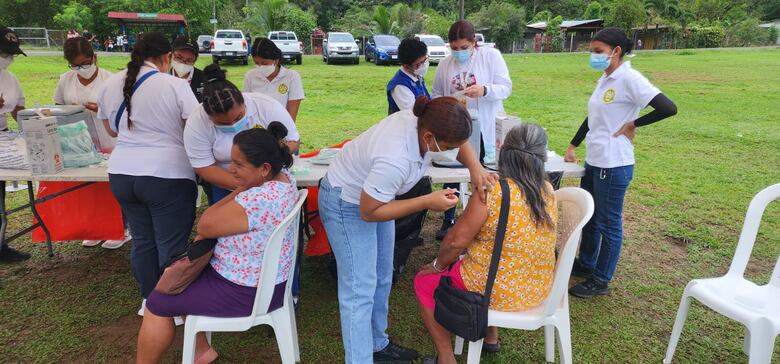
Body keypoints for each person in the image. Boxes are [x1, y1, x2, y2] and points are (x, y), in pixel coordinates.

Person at [318, 96, 495, 363]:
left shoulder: (430, 118)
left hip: (378, 198)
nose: (454, 151)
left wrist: (476, 167)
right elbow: (369, 211)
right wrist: (426, 201)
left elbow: (457, 143)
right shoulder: (395, 157)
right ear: (428, 137)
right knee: (359, 290)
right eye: (448, 146)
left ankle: (377, 345)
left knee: (381, 276)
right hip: (348, 204)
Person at [137, 124, 298, 364]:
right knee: (182, 278)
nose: (232, 170)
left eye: (239, 165)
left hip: (245, 291)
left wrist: (241, 188)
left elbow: (206, 224)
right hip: (266, 282)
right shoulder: (284, 180)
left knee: (157, 302)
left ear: (264, 168)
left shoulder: (257, 199)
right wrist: (246, 184)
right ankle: (201, 350)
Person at [414, 123, 558, 364]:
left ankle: (446, 358)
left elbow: (455, 241)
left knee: (424, 281)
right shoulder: (547, 190)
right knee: (499, 255)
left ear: (505, 153)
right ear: (541, 157)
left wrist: (438, 265)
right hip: (538, 289)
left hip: (493, 292)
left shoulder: (494, 192)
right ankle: (491, 337)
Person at [564, 27, 677, 298]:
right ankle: (586, 263)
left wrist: (633, 123)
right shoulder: (606, 79)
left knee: (608, 222)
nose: (593, 56)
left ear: (616, 52)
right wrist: (573, 144)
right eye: (591, 51)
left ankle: (601, 279)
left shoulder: (630, 78)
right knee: (589, 216)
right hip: (595, 158)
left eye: (598, 52)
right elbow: (593, 117)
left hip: (614, 163)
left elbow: (668, 108)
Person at [96, 32, 200, 314]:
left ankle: (148, 300)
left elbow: (110, 130)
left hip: (121, 173)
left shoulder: (109, 84)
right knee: (171, 245)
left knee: (142, 241)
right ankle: (170, 304)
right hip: (167, 175)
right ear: (167, 57)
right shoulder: (174, 85)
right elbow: (196, 129)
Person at [432, 20, 512, 241]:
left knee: (486, 172)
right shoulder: (446, 64)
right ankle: (449, 218)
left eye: (464, 47)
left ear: (474, 42)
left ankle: (488, 219)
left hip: (486, 124)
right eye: (454, 48)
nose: (459, 52)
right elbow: (436, 93)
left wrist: (484, 90)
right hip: (458, 127)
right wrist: (448, 100)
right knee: (454, 172)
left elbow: (506, 87)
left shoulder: (490, 57)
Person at [52, 36, 132, 249]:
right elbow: (57, 107)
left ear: (94, 57)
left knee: (113, 186)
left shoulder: (110, 79)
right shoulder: (65, 80)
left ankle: (121, 228)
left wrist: (101, 109)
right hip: (78, 141)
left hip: (108, 138)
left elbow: (123, 111)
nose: (81, 68)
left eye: (85, 63)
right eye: (76, 65)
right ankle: (96, 228)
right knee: (88, 187)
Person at [184, 64, 300, 205]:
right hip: (226, 185)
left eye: (238, 117)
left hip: (270, 182)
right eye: (222, 123)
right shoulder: (197, 121)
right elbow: (203, 166)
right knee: (227, 222)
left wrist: (268, 172)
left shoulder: (267, 106)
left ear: (243, 102)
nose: (232, 125)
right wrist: (244, 185)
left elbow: (293, 141)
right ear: (209, 117)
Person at [0, 26, 29, 262]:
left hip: (3, 137)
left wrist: (35, 124)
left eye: (11, 54)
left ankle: (1, 243)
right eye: (4, 53)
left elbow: (18, 109)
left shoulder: (10, 78)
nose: (8, 59)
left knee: (0, 198)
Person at [243, 38, 304, 121]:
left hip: (281, 127)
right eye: (257, 63)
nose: (260, 66)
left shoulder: (292, 77)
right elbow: (246, 107)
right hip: (255, 128)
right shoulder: (250, 76)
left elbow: (291, 116)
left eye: (264, 63)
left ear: (276, 60)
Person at [386, 38, 430, 114]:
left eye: (425, 60)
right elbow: (413, 114)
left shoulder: (417, 76)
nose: (424, 65)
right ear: (406, 66)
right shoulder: (399, 86)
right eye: (419, 64)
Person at [170, 36, 205, 102]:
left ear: (195, 61)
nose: (183, 63)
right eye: (179, 57)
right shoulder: (164, 77)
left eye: (189, 60)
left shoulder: (204, 78)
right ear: (171, 55)